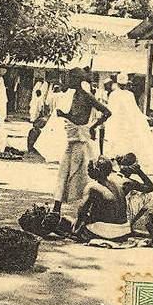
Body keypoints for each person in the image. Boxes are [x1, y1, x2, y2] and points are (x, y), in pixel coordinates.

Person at [49, 69, 111, 222]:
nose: (67, 81)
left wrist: (92, 126)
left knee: (81, 178)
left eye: (70, 78)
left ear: (76, 80)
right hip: (73, 141)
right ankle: (56, 210)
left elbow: (107, 112)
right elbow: (76, 116)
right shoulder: (74, 95)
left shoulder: (86, 96)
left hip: (81, 142)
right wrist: (65, 116)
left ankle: (85, 214)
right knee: (64, 174)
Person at [74, 157, 151, 241]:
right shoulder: (120, 182)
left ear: (96, 170)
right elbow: (149, 187)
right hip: (124, 231)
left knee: (67, 221)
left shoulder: (92, 187)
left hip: (107, 232)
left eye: (90, 167)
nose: (88, 170)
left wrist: (76, 229)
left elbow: (82, 210)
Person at [104, 72, 153, 169]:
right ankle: (125, 161)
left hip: (117, 122)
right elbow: (134, 110)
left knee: (117, 142)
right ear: (126, 84)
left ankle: (118, 162)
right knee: (125, 141)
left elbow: (110, 110)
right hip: (126, 122)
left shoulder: (113, 94)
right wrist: (141, 118)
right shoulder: (129, 94)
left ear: (117, 83)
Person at [114, 153, 153, 232]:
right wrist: (139, 172)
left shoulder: (111, 175)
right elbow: (151, 187)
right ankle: (129, 226)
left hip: (104, 217)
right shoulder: (129, 182)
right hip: (116, 222)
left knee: (131, 194)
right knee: (148, 196)